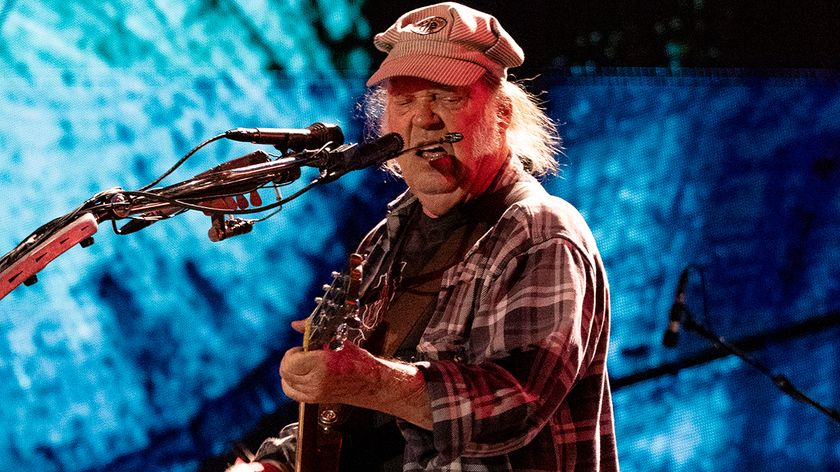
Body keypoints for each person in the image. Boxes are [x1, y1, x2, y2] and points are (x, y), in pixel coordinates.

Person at [229, 2, 618, 471]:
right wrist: (275, 464)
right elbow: (359, 421)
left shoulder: (540, 232)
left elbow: (516, 403)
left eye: (447, 96)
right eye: (405, 100)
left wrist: (369, 380)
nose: (424, 118)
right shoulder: (385, 242)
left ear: (501, 113)